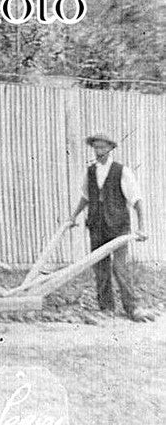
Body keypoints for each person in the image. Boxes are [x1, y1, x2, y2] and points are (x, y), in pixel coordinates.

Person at [64, 133, 152, 322]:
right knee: (101, 269)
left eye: (102, 148)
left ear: (110, 149)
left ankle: (132, 308)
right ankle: (106, 308)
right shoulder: (90, 172)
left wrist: (142, 227)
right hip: (97, 226)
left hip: (118, 227)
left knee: (119, 268)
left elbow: (136, 200)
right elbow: (85, 197)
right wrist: (73, 217)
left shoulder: (122, 171)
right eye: (96, 148)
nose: (99, 152)